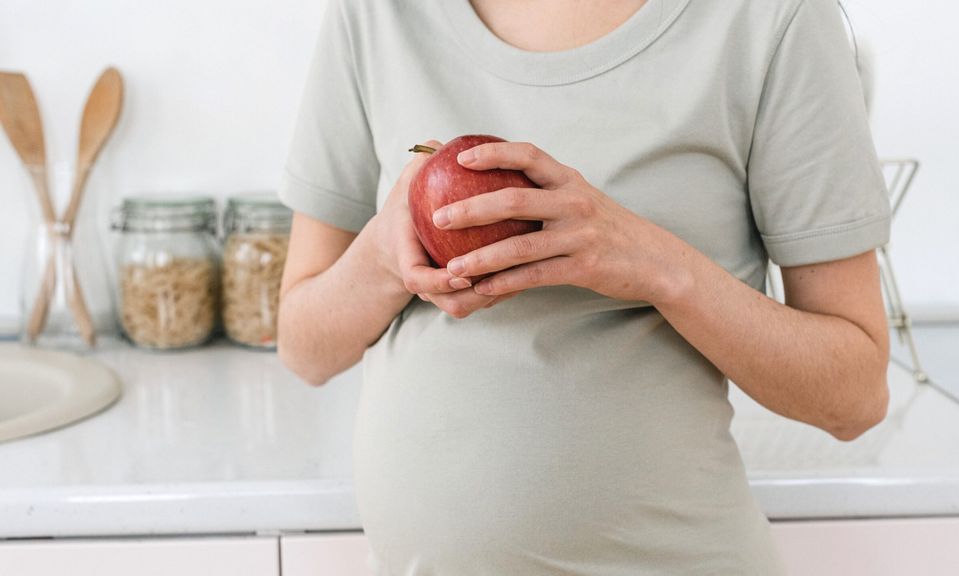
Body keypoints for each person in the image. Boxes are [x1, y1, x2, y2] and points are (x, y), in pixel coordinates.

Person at [276, 0, 891, 573]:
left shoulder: (771, 18)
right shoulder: (376, 14)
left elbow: (854, 398)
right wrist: (385, 256)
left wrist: (657, 265)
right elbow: (304, 349)